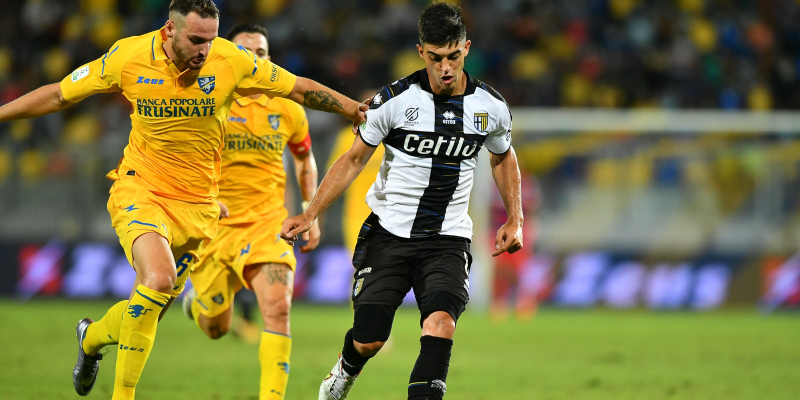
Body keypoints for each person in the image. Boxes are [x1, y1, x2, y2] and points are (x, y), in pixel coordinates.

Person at [0, 1, 366, 399]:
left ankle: (91, 338)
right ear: (169, 30)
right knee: (158, 280)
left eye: (210, 39)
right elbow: (59, 94)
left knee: (151, 309)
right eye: (196, 40)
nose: (205, 50)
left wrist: (353, 109)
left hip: (199, 207)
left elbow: (298, 88)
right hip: (142, 189)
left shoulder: (231, 59)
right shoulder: (129, 56)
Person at [280, 3, 523, 399]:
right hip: (389, 234)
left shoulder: (490, 107)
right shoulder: (393, 101)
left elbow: (502, 156)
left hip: (447, 238)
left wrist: (515, 218)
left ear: (466, 48)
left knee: (441, 324)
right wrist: (311, 213)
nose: (445, 67)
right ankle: (346, 369)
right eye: (436, 57)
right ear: (421, 51)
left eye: (453, 56)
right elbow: (353, 159)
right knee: (369, 339)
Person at [180, 23, 320, 400]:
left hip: (267, 224)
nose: (253, 59)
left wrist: (309, 210)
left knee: (278, 309)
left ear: (268, 59)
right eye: (244, 52)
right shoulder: (206, 100)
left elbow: (304, 159)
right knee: (216, 328)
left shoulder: (288, 106)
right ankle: (199, 302)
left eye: (260, 53)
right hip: (215, 225)